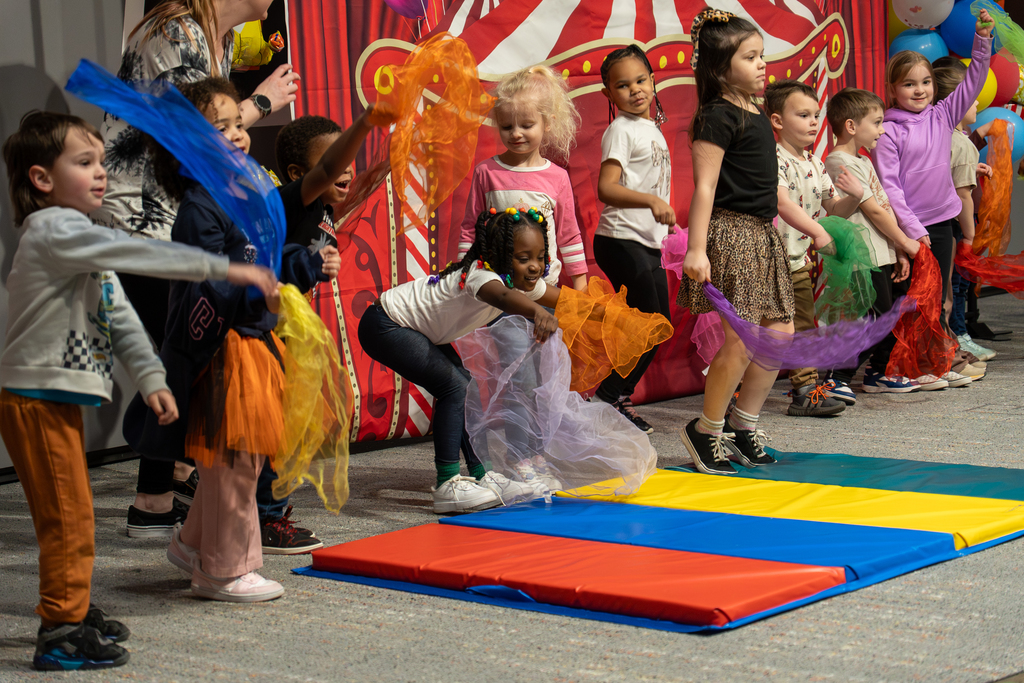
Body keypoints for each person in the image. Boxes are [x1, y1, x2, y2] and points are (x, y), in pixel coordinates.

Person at [0, 111, 275, 670]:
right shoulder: (57, 230)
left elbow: (118, 315)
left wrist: (151, 379)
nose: (101, 173)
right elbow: (143, 255)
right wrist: (224, 268)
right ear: (41, 179)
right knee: (68, 516)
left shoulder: (83, 241)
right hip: (34, 399)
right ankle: (60, 629)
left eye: (102, 161)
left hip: (52, 398)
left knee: (71, 511)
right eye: (84, 163)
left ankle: (70, 607)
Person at [138, 78, 350, 602]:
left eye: (239, 124)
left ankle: (193, 545)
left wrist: (302, 264)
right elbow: (210, 280)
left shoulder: (243, 194)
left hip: (251, 339)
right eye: (221, 128)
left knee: (237, 457)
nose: (238, 135)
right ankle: (225, 570)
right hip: (225, 346)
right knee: (233, 459)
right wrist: (256, 290)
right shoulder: (200, 207)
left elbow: (267, 257)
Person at [98, 0, 301, 537]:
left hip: (173, 212)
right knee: (180, 353)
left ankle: (182, 480)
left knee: (193, 350)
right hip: (147, 216)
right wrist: (261, 101)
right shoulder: (179, 32)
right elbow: (195, 134)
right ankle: (153, 503)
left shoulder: (219, 37)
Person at [359, 208, 562, 513]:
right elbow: (504, 300)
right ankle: (447, 484)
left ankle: (484, 475)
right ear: (500, 255)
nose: (534, 267)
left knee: (464, 388)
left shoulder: (522, 283)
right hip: (385, 324)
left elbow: (566, 300)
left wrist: (608, 315)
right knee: (454, 388)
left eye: (540, 257)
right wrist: (538, 312)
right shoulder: (481, 275)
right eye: (523, 258)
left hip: (414, 330)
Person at [677, 8, 810, 474]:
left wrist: (812, 229)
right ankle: (705, 430)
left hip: (764, 233)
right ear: (719, 67)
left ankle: (742, 425)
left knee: (779, 334)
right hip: (731, 233)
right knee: (741, 341)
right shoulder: (716, 116)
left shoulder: (754, 110)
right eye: (749, 57)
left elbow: (771, 186)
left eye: (761, 55)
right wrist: (696, 249)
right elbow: (705, 188)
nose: (761, 65)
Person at [873, 7, 994, 390]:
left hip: (941, 225)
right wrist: (911, 232)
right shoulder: (888, 132)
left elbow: (974, 79)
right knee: (911, 301)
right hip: (909, 231)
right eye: (909, 84)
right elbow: (890, 188)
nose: (920, 90)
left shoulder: (942, 115)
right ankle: (903, 367)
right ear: (893, 89)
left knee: (939, 301)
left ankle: (935, 362)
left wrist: (982, 40)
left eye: (925, 82)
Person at [589, 44, 675, 434]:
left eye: (641, 80)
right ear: (608, 95)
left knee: (659, 326)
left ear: (654, 80)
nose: (636, 90)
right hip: (620, 239)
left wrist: (663, 219)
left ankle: (616, 399)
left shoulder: (650, 128)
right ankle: (605, 400)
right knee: (652, 325)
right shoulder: (620, 130)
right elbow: (606, 188)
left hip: (644, 243)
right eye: (623, 85)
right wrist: (652, 202)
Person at [763, 79, 863, 414]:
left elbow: (834, 208)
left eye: (816, 115)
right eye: (803, 115)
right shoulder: (773, 158)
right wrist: (819, 232)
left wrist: (855, 197)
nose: (813, 122)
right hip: (768, 261)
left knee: (804, 326)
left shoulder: (815, 163)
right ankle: (735, 391)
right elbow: (781, 204)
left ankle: (805, 391)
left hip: (797, 261)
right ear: (777, 121)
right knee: (761, 331)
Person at [821, 87, 923, 394]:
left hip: (883, 253)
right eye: (876, 122)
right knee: (872, 317)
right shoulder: (839, 161)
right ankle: (836, 377)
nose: (882, 129)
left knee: (890, 313)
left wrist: (898, 251)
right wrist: (906, 241)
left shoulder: (863, 161)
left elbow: (884, 207)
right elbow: (873, 212)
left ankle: (878, 371)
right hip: (864, 256)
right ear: (852, 126)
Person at [457, 64, 588, 291]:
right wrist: (463, 272)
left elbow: (569, 235)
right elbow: (470, 228)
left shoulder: (558, 177)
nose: (516, 133)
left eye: (527, 125)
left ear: (548, 123)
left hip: (543, 289)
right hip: (497, 289)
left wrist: (581, 285)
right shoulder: (486, 172)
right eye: (507, 126)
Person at [931, 59, 996, 365]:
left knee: (944, 287)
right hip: (953, 227)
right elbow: (963, 195)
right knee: (951, 289)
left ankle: (948, 344)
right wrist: (969, 234)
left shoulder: (937, 136)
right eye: (972, 98)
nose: (979, 103)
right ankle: (950, 345)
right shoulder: (963, 145)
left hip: (931, 222)